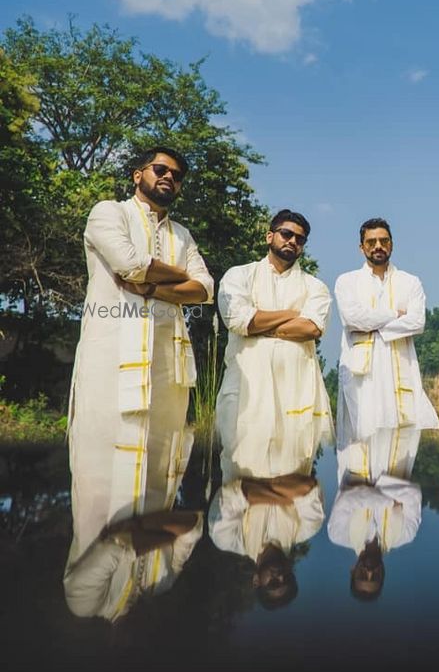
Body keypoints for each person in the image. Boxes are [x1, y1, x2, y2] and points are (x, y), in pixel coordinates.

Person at [67, 146, 212, 567]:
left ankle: (144, 542)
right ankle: (108, 540)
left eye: (177, 175)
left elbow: (205, 289)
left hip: (167, 367)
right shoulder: (108, 213)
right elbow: (128, 263)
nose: (169, 177)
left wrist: (153, 285)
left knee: (159, 459)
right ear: (138, 174)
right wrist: (178, 275)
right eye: (161, 169)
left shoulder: (182, 235)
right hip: (110, 355)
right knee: (100, 457)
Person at [215, 209, 333, 483]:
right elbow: (237, 319)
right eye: (286, 234)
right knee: (239, 471)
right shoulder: (239, 275)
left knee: (295, 472)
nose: (292, 241)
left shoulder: (315, 286)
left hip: (297, 391)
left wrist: (258, 322)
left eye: (300, 239)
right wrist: (292, 313)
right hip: (247, 392)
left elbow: (311, 328)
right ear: (270, 236)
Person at [334, 218, 439, 484]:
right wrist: (394, 314)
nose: (378, 246)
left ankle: (392, 501)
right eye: (371, 242)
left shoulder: (410, 282)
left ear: (392, 243)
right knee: (359, 442)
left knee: (400, 446)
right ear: (361, 247)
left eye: (383, 240)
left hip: (399, 372)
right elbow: (352, 318)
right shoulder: (347, 281)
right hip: (362, 378)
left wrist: (373, 325)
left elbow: (417, 322)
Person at [208, 473, 324, 610]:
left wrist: (289, 497)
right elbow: (307, 487)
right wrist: (250, 494)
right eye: (287, 578)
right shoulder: (308, 528)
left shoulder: (226, 539)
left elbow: (230, 495)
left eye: (273, 584)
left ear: (256, 581)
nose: (280, 577)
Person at [64, 509, 203, 622]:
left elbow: (112, 549)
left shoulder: (83, 605)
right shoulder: (163, 583)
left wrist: (164, 536)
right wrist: (138, 526)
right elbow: (192, 528)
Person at [327, 465, 422, 601]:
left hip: (357, 456)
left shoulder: (338, 535)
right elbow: (413, 494)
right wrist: (364, 493)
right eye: (375, 577)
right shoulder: (406, 535)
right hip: (396, 456)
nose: (370, 572)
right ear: (383, 573)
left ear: (353, 570)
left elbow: (346, 499)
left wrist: (392, 502)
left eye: (362, 576)